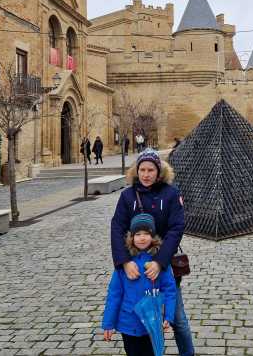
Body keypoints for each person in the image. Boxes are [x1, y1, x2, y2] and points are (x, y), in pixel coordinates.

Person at [111, 148, 195, 356]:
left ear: (159, 172)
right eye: (142, 170)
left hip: (163, 263)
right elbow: (117, 227)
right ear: (136, 171)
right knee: (137, 316)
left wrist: (159, 261)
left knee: (177, 318)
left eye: (150, 170)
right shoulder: (127, 195)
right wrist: (124, 261)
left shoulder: (171, 194)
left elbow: (177, 228)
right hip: (135, 266)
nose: (146, 174)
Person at [103, 213, 177, 355]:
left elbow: (170, 290)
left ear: (153, 236)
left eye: (146, 233)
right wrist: (108, 323)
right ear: (131, 237)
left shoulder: (160, 262)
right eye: (138, 234)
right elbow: (114, 294)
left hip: (152, 323)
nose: (142, 238)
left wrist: (168, 315)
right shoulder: (125, 264)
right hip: (128, 323)